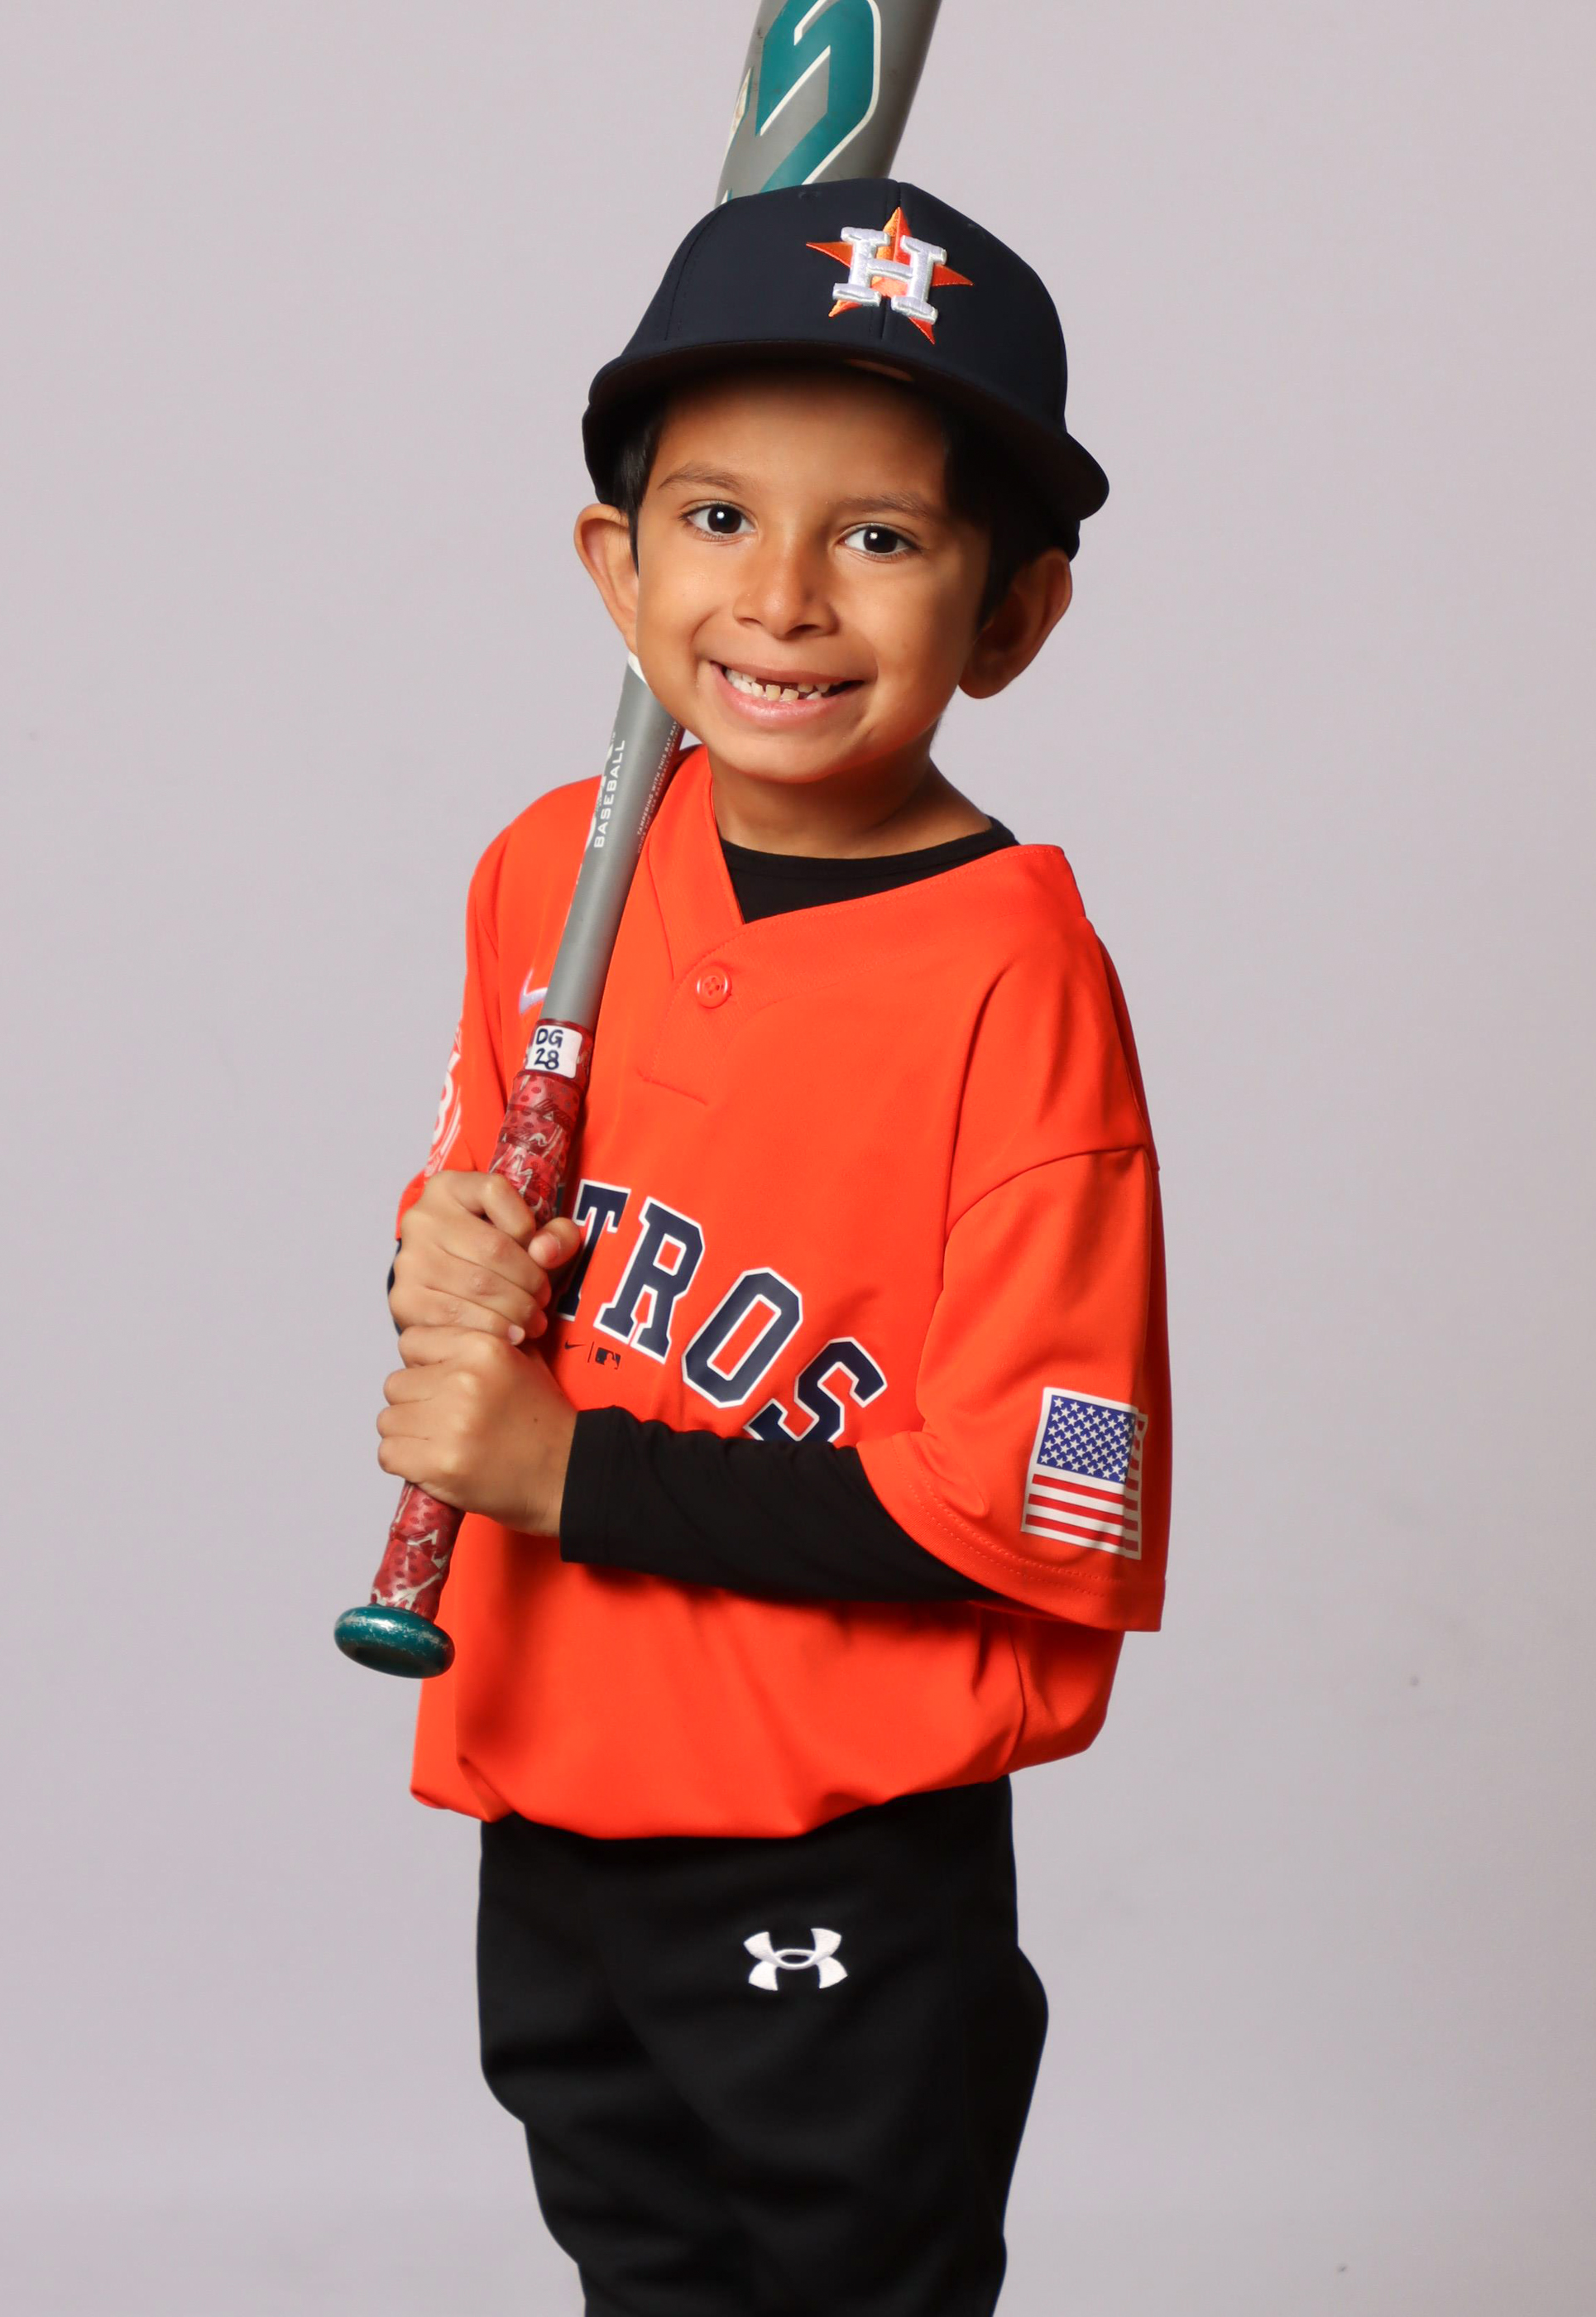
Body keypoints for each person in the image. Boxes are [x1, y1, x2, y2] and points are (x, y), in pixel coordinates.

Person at [374, 180, 1170, 2317]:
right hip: (557, 1772)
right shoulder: (553, 869)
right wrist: (442, 1268)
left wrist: (564, 1472)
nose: (786, 598)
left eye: (882, 537)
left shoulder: (1016, 980)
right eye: (717, 518)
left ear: (1012, 616)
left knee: (843, 2282)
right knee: (640, 2263)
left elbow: (1039, 1501)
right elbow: (486, 1227)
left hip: (830, 1825)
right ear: (615, 566)